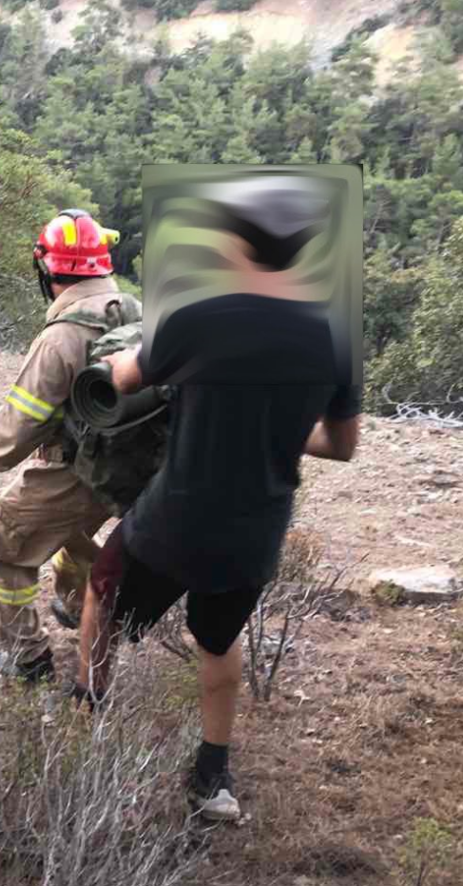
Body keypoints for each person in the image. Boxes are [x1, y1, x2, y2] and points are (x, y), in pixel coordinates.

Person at [76, 193, 359, 823]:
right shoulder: (333, 338)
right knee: (217, 637)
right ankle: (212, 777)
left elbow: (123, 377)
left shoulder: (200, 318)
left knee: (102, 587)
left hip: (174, 517)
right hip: (256, 529)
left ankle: (85, 714)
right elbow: (341, 445)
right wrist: (280, 432)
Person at [0, 209, 136, 683]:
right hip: (130, 466)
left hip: (76, 469)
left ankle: (27, 658)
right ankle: (86, 606)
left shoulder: (62, 337)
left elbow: (24, 420)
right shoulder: (135, 311)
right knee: (70, 532)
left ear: (47, 267)